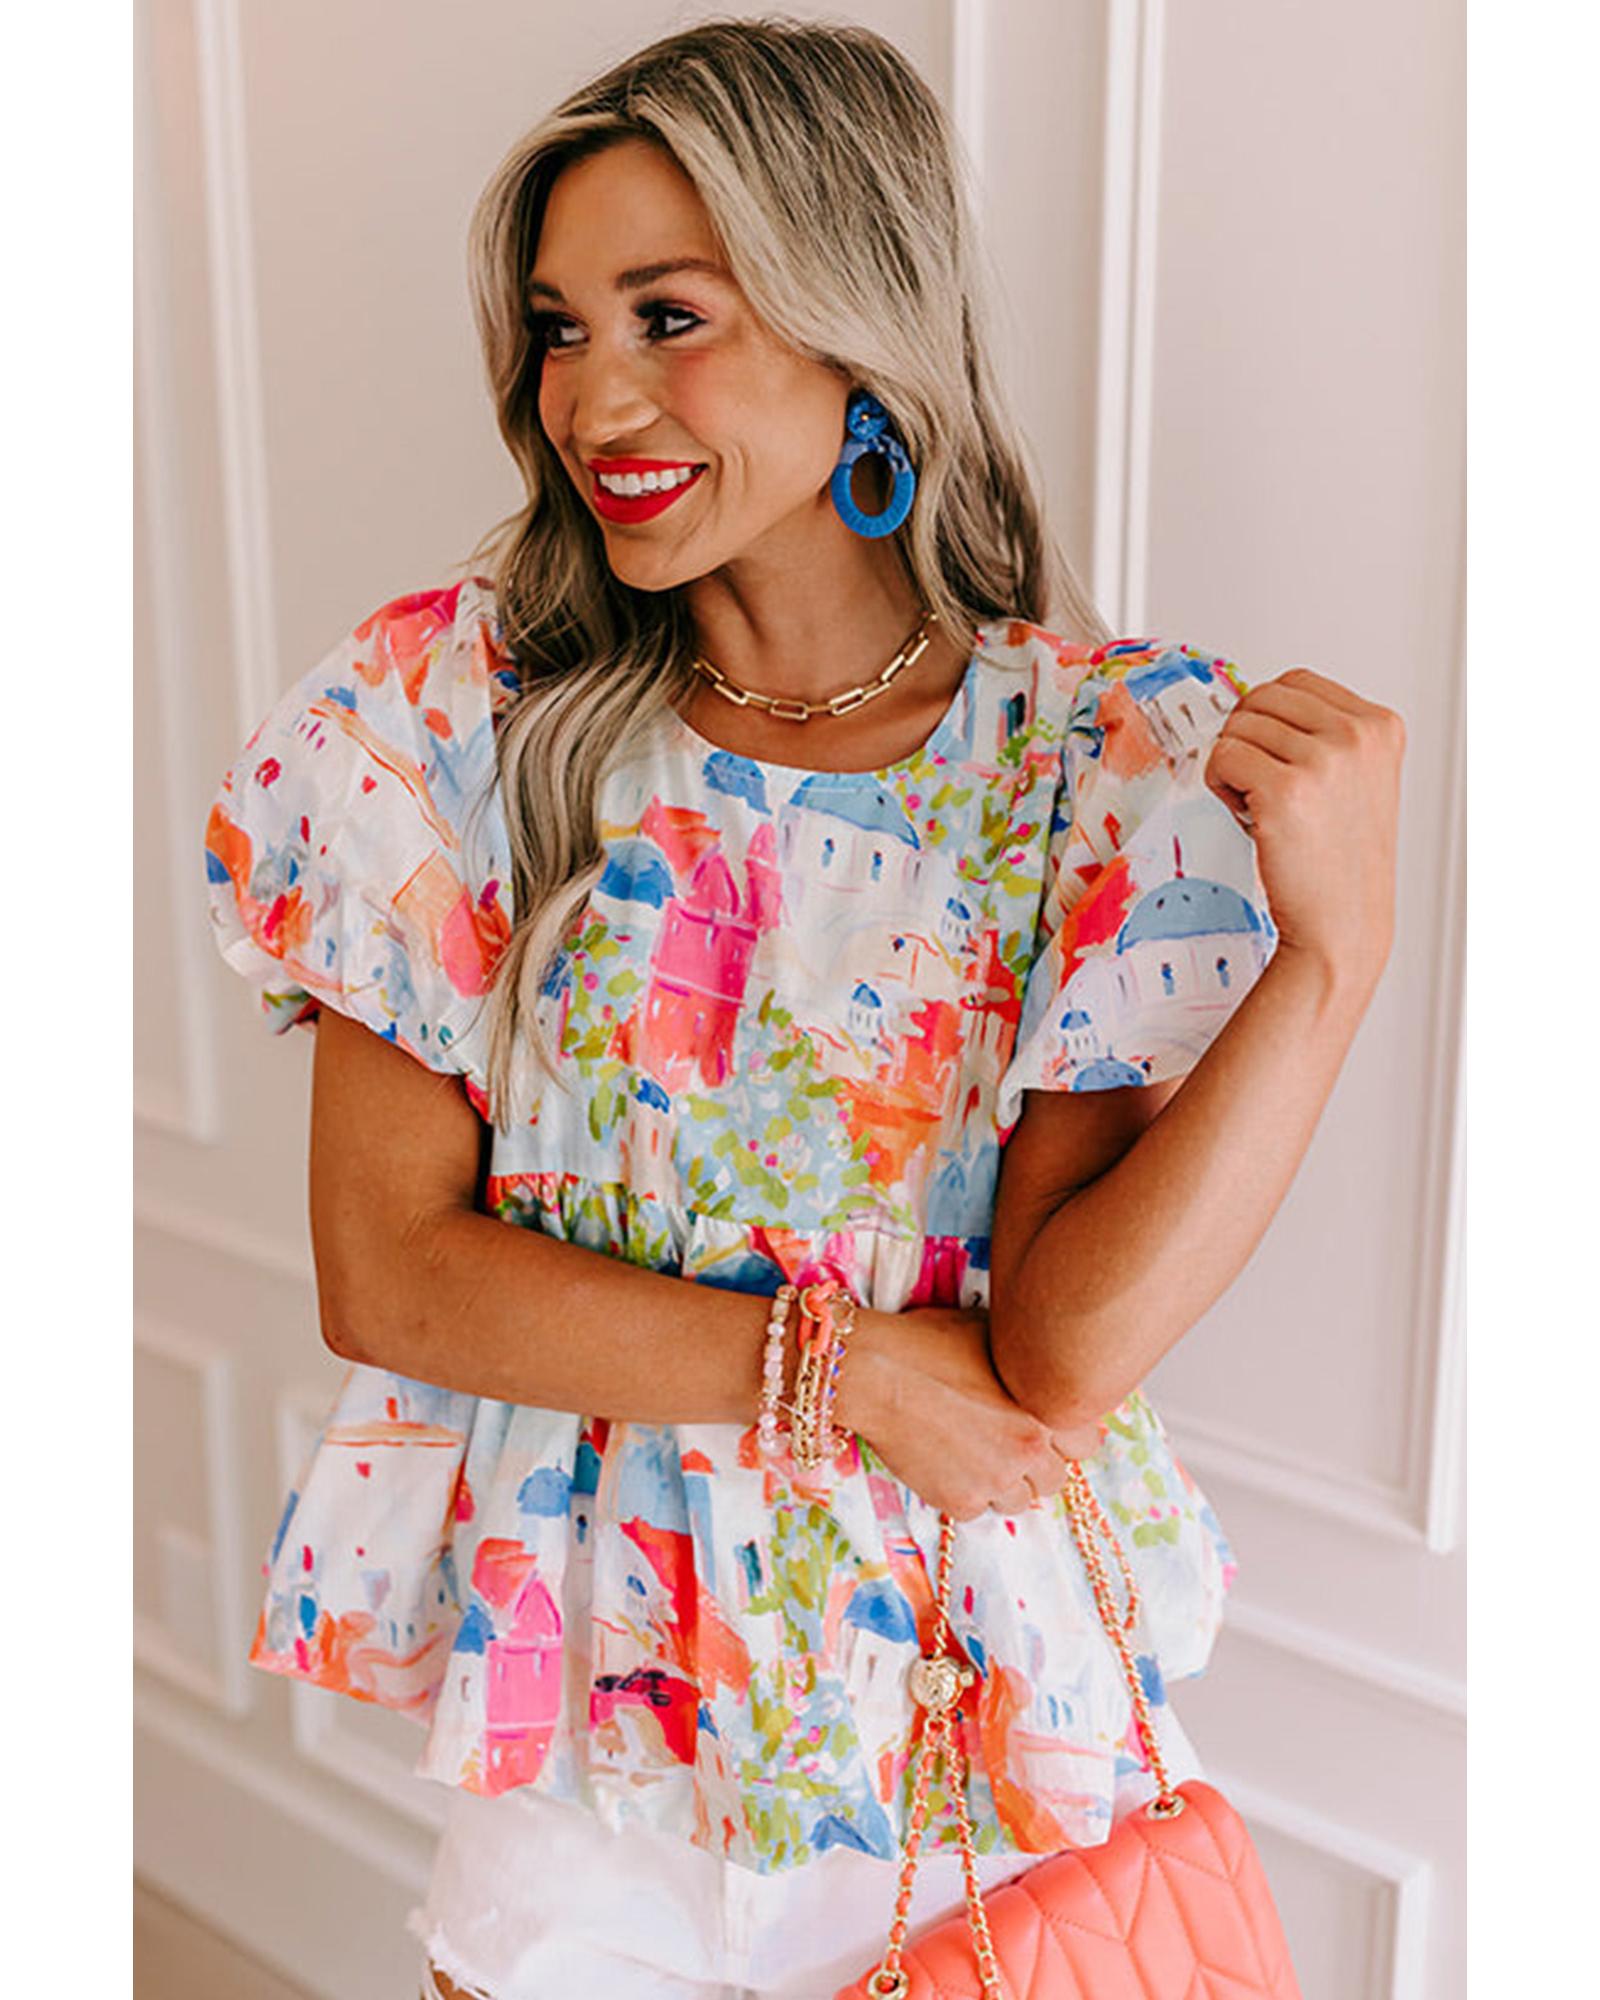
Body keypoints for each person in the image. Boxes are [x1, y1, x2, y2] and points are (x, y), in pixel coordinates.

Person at [200, 19, 1404, 1999]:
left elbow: (1062, 1346)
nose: (592, 396)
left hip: (965, 1713)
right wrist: (841, 1373)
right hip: (587, 1725)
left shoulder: (1089, 761)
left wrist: (1331, 962)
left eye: (667, 316)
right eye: (559, 328)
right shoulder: (447, 718)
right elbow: (389, 1274)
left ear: (860, 326)